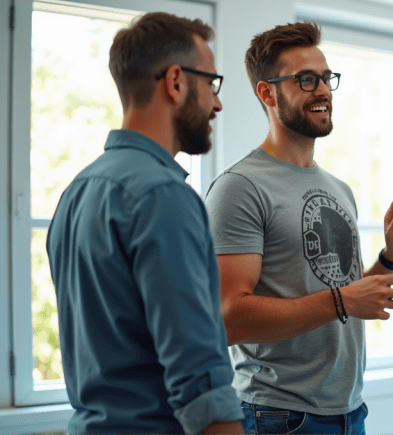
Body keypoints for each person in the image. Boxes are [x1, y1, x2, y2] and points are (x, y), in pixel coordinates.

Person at [203, 21, 393, 435]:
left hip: (351, 413)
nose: (323, 90)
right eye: (306, 80)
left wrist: (389, 259)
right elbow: (228, 318)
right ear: (267, 92)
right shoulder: (239, 188)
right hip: (280, 417)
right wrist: (341, 301)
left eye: (326, 78)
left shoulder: (339, 189)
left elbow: (342, 298)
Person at [46, 12, 243, 434]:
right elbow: (200, 381)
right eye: (212, 83)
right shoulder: (163, 197)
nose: (217, 102)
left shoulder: (77, 193)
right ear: (175, 81)